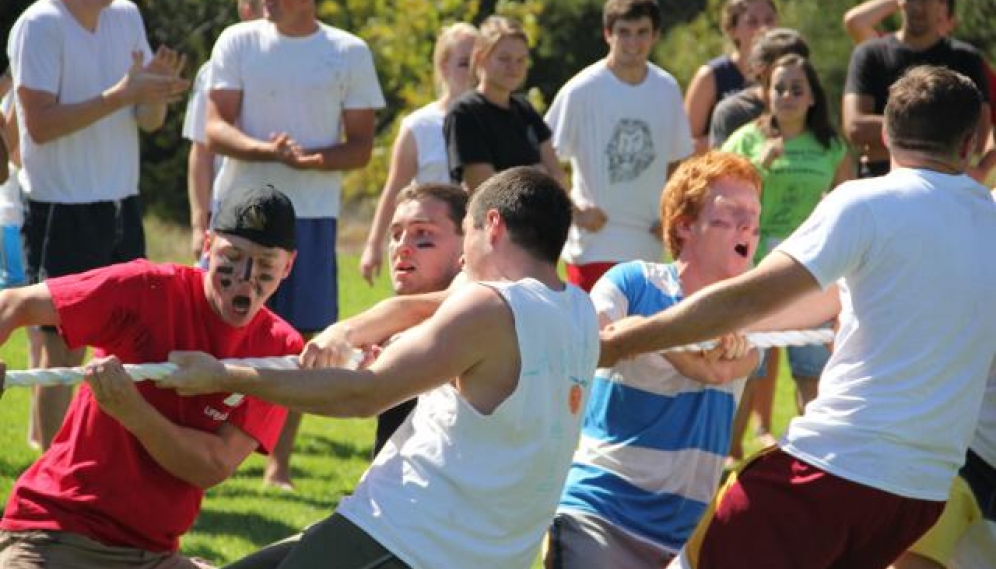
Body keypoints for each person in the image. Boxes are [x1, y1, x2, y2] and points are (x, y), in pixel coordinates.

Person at [600, 65, 996, 569]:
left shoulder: (866, 202)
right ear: (969, 144)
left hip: (833, 471)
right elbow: (835, 300)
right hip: (919, 497)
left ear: (886, 136)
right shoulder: (989, 220)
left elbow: (751, 295)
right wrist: (737, 332)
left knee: (695, 558)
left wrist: (631, 338)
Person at [162, 167, 600, 569]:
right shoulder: (579, 312)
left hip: (406, 540)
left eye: (466, 233)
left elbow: (363, 394)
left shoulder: (490, 306)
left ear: (493, 225)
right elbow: (420, 308)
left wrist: (223, 375)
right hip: (480, 553)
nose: (464, 259)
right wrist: (345, 333)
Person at [0, 185, 304, 569]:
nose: (245, 277)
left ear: (288, 266)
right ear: (207, 246)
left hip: (153, 557)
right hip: (56, 534)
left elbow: (212, 465)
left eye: (264, 264)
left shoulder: (279, 350)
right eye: (233, 256)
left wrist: (133, 412)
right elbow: (14, 305)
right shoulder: (148, 288)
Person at [544, 151, 761, 569]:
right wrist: (673, 345)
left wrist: (709, 360)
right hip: (600, 516)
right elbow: (590, 344)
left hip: (688, 539)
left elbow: (726, 368)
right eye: (732, 212)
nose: (748, 225)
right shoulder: (633, 282)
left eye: (753, 214)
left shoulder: (751, 313)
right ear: (684, 225)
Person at [205, 0, 385, 489]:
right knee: (217, 328)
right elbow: (213, 128)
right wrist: (268, 152)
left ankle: (275, 465)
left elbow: (362, 145)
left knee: (299, 342)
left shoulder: (348, 50)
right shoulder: (237, 40)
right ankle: (201, 446)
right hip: (238, 214)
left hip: (311, 218)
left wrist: (309, 161)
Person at [7, 0, 189, 451]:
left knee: (131, 348)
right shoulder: (41, 23)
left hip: (121, 206)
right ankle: (49, 479)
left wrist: (153, 95)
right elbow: (40, 125)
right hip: (60, 210)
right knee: (62, 354)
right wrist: (125, 93)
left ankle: (109, 467)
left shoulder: (125, 16)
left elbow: (148, 122)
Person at [722, 54, 851, 412]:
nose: (788, 95)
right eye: (779, 88)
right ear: (767, 95)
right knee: (744, 369)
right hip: (751, 268)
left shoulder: (831, 146)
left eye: (797, 89)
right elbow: (719, 197)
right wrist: (760, 164)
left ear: (812, 97)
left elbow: (848, 206)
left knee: (812, 372)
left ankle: (812, 456)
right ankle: (731, 457)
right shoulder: (745, 140)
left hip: (812, 269)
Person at [544, 0, 693, 292]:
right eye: (624, 32)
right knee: (596, 337)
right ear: (607, 34)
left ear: (655, 35)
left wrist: (670, 214)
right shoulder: (582, 90)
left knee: (644, 336)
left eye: (642, 32)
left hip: (648, 246)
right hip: (596, 245)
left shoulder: (667, 88)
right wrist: (575, 211)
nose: (633, 42)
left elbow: (677, 162)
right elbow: (543, 156)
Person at [358, 23, 478, 285]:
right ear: (444, 66)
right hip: (427, 248)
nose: (473, 73)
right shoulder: (420, 125)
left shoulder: (497, 121)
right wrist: (373, 245)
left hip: (478, 244)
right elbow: (395, 190)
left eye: (480, 62)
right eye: (463, 63)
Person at [842, 0, 991, 179]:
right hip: (879, 176)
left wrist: (889, 137)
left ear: (941, 5)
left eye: (926, 1)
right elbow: (855, 128)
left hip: (945, 181)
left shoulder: (966, 58)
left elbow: (978, 136)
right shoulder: (871, 54)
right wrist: (944, 133)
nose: (918, 7)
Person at [371, 183, 467, 456]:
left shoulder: (481, 322)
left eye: (422, 233)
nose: (402, 247)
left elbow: (358, 397)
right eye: (396, 234)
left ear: (468, 242)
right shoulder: (390, 323)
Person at [444, 15, 565, 192]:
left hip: (538, 219)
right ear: (480, 58)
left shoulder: (525, 109)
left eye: (520, 60)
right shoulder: (465, 113)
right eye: (504, 59)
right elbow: (485, 192)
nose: (514, 67)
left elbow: (558, 178)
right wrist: (536, 174)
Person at [183, 0, 265, 260]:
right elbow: (201, 152)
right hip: (228, 211)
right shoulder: (213, 71)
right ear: (247, 11)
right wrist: (198, 225)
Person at [683, 0, 777, 154]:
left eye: (769, 20)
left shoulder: (786, 73)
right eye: (752, 22)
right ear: (732, 30)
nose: (763, 28)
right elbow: (684, 145)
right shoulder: (711, 76)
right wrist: (734, 138)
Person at [708, 27, 810, 148]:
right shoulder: (733, 113)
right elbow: (721, 164)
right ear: (761, 70)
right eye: (784, 67)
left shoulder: (808, 105)